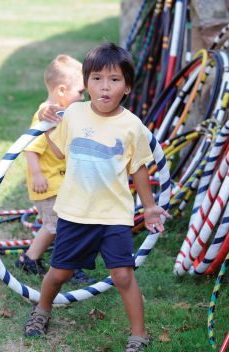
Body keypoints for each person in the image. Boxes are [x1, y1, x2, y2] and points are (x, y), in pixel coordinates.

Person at [24, 43, 170, 352]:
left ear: (127, 87)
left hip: (113, 215)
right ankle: (42, 310)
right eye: (97, 78)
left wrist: (150, 206)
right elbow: (59, 151)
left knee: (122, 275)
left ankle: (138, 334)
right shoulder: (74, 113)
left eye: (114, 80)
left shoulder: (131, 125)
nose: (105, 86)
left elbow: (139, 167)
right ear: (86, 82)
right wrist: (49, 127)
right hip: (75, 212)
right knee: (59, 272)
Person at [16, 54, 96, 284]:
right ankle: (68, 267)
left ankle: (29, 259)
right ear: (62, 90)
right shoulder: (46, 116)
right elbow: (30, 146)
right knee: (61, 227)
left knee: (54, 227)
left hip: (60, 184)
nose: (83, 96)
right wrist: (37, 174)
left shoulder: (62, 114)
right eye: (80, 92)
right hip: (49, 185)